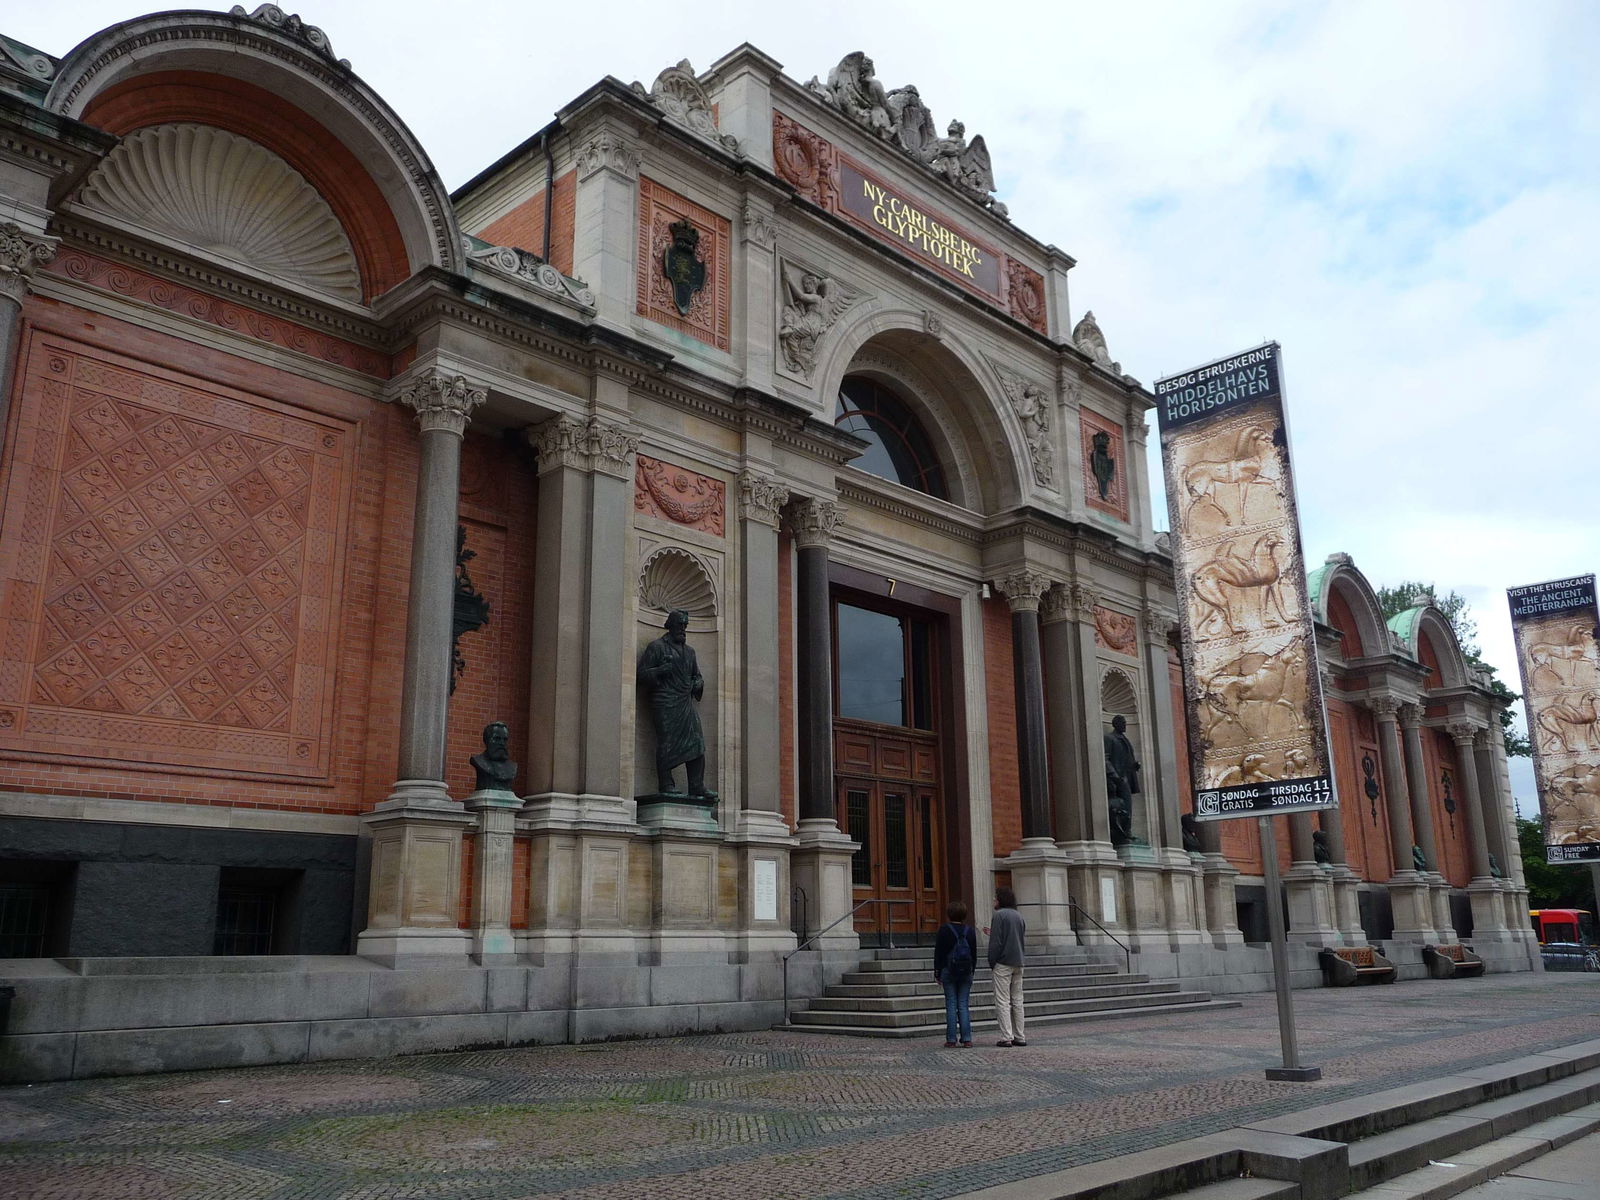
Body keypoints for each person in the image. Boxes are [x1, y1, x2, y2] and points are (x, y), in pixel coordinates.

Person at [932, 900, 977, 1047]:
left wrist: (937, 972)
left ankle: (951, 1039)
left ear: (949, 914)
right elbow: (974, 953)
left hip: (948, 970)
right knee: (963, 1004)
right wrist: (972, 970)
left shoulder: (944, 930)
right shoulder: (969, 931)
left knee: (951, 1003)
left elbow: (939, 953)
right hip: (966, 972)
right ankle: (967, 1038)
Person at [986, 886, 1027, 1047]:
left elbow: (995, 943)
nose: (993, 901)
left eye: (995, 898)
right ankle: (1020, 1035)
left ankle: (1006, 1036)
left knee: (1002, 1000)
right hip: (1019, 961)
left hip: (1003, 963)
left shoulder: (999, 916)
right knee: (1017, 1000)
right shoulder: (1018, 916)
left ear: (1001, 900)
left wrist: (992, 962)